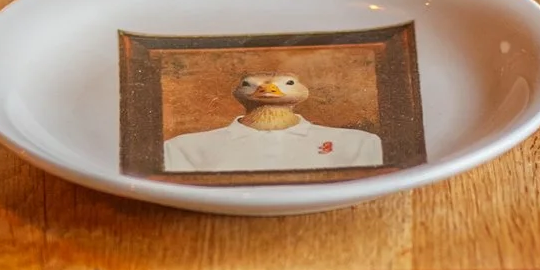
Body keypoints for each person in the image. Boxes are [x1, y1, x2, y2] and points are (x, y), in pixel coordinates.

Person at [162, 67, 384, 174]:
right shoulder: (183, 148)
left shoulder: (360, 143)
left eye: (287, 84)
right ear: (237, 92)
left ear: (303, 91)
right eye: (250, 84)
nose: (267, 89)